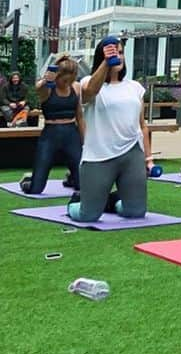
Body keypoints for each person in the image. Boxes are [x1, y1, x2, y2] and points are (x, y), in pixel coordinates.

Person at [68, 38, 152, 222]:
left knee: (135, 212)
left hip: (131, 154)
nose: (119, 57)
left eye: (120, 53)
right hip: (99, 156)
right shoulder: (88, 83)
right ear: (101, 57)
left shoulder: (135, 88)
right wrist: (107, 62)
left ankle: (110, 203)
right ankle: (75, 203)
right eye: (114, 53)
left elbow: (142, 125)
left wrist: (148, 158)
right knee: (88, 215)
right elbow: (91, 91)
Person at [21, 58, 83, 195]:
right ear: (58, 77)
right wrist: (46, 79)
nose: (67, 83)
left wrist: (85, 140)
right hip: (50, 134)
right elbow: (39, 88)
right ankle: (28, 180)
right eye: (64, 80)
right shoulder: (48, 89)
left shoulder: (76, 88)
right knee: (35, 189)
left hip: (71, 133)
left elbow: (80, 117)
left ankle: (72, 178)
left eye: (70, 80)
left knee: (83, 185)